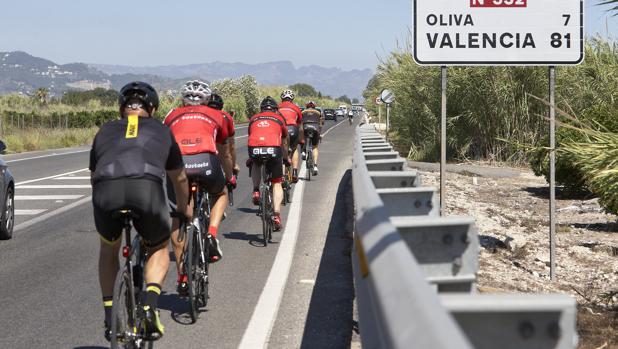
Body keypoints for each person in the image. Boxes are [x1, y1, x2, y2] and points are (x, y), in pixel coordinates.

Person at [90, 81, 191, 341]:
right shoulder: (162, 130)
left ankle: (109, 314)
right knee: (158, 246)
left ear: (121, 109)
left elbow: (94, 175)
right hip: (146, 190)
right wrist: (182, 209)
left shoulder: (104, 131)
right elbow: (179, 179)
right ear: (153, 109)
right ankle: (148, 307)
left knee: (109, 248)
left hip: (106, 191)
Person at [164, 81, 232, 296]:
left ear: (182, 99)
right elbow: (224, 152)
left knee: (179, 215)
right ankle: (211, 233)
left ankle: (182, 276)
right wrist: (228, 177)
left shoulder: (171, 115)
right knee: (221, 193)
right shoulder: (217, 115)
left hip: (178, 165)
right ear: (207, 99)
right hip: (206, 162)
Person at [248, 96, 290, 231]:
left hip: (254, 147)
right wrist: (285, 158)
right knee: (277, 182)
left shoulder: (254, 118)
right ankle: (277, 215)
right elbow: (284, 142)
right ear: (275, 110)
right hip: (273, 148)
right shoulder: (279, 119)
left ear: (261, 109)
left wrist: (252, 157)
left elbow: (251, 135)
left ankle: (255, 190)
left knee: (255, 163)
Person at [208, 92, 240, 182]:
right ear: (221, 106)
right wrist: (233, 166)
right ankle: (229, 179)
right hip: (219, 148)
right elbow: (232, 146)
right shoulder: (226, 116)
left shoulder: (201, 115)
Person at [277, 89, 303, 183]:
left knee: (281, 151)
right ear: (292, 99)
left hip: (282, 129)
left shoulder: (277, 107)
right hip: (293, 129)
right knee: (295, 149)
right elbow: (300, 126)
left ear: (282, 98)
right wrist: (301, 139)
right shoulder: (296, 108)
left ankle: (282, 175)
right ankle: (295, 172)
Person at [301, 101, 324, 176]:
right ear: (314, 106)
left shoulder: (303, 112)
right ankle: (315, 166)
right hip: (315, 128)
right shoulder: (318, 112)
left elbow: (299, 123)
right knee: (315, 147)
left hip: (305, 127)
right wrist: (319, 134)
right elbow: (321, 124)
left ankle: (304, 151)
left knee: (302, 138)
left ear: (306, 106)